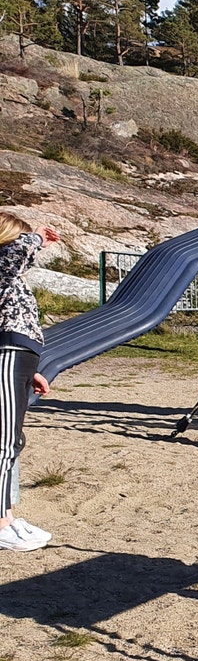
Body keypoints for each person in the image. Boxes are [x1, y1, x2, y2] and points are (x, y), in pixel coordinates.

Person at [0, 213, 55, 551]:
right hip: (7, 354)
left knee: (12, 441)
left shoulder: (9, 277)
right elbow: (16, 250)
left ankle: (6, 515)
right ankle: (0, 524)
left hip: (17, 357)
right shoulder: (3, 264)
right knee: (3, 442)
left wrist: (28, 368)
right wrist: (35, 236)